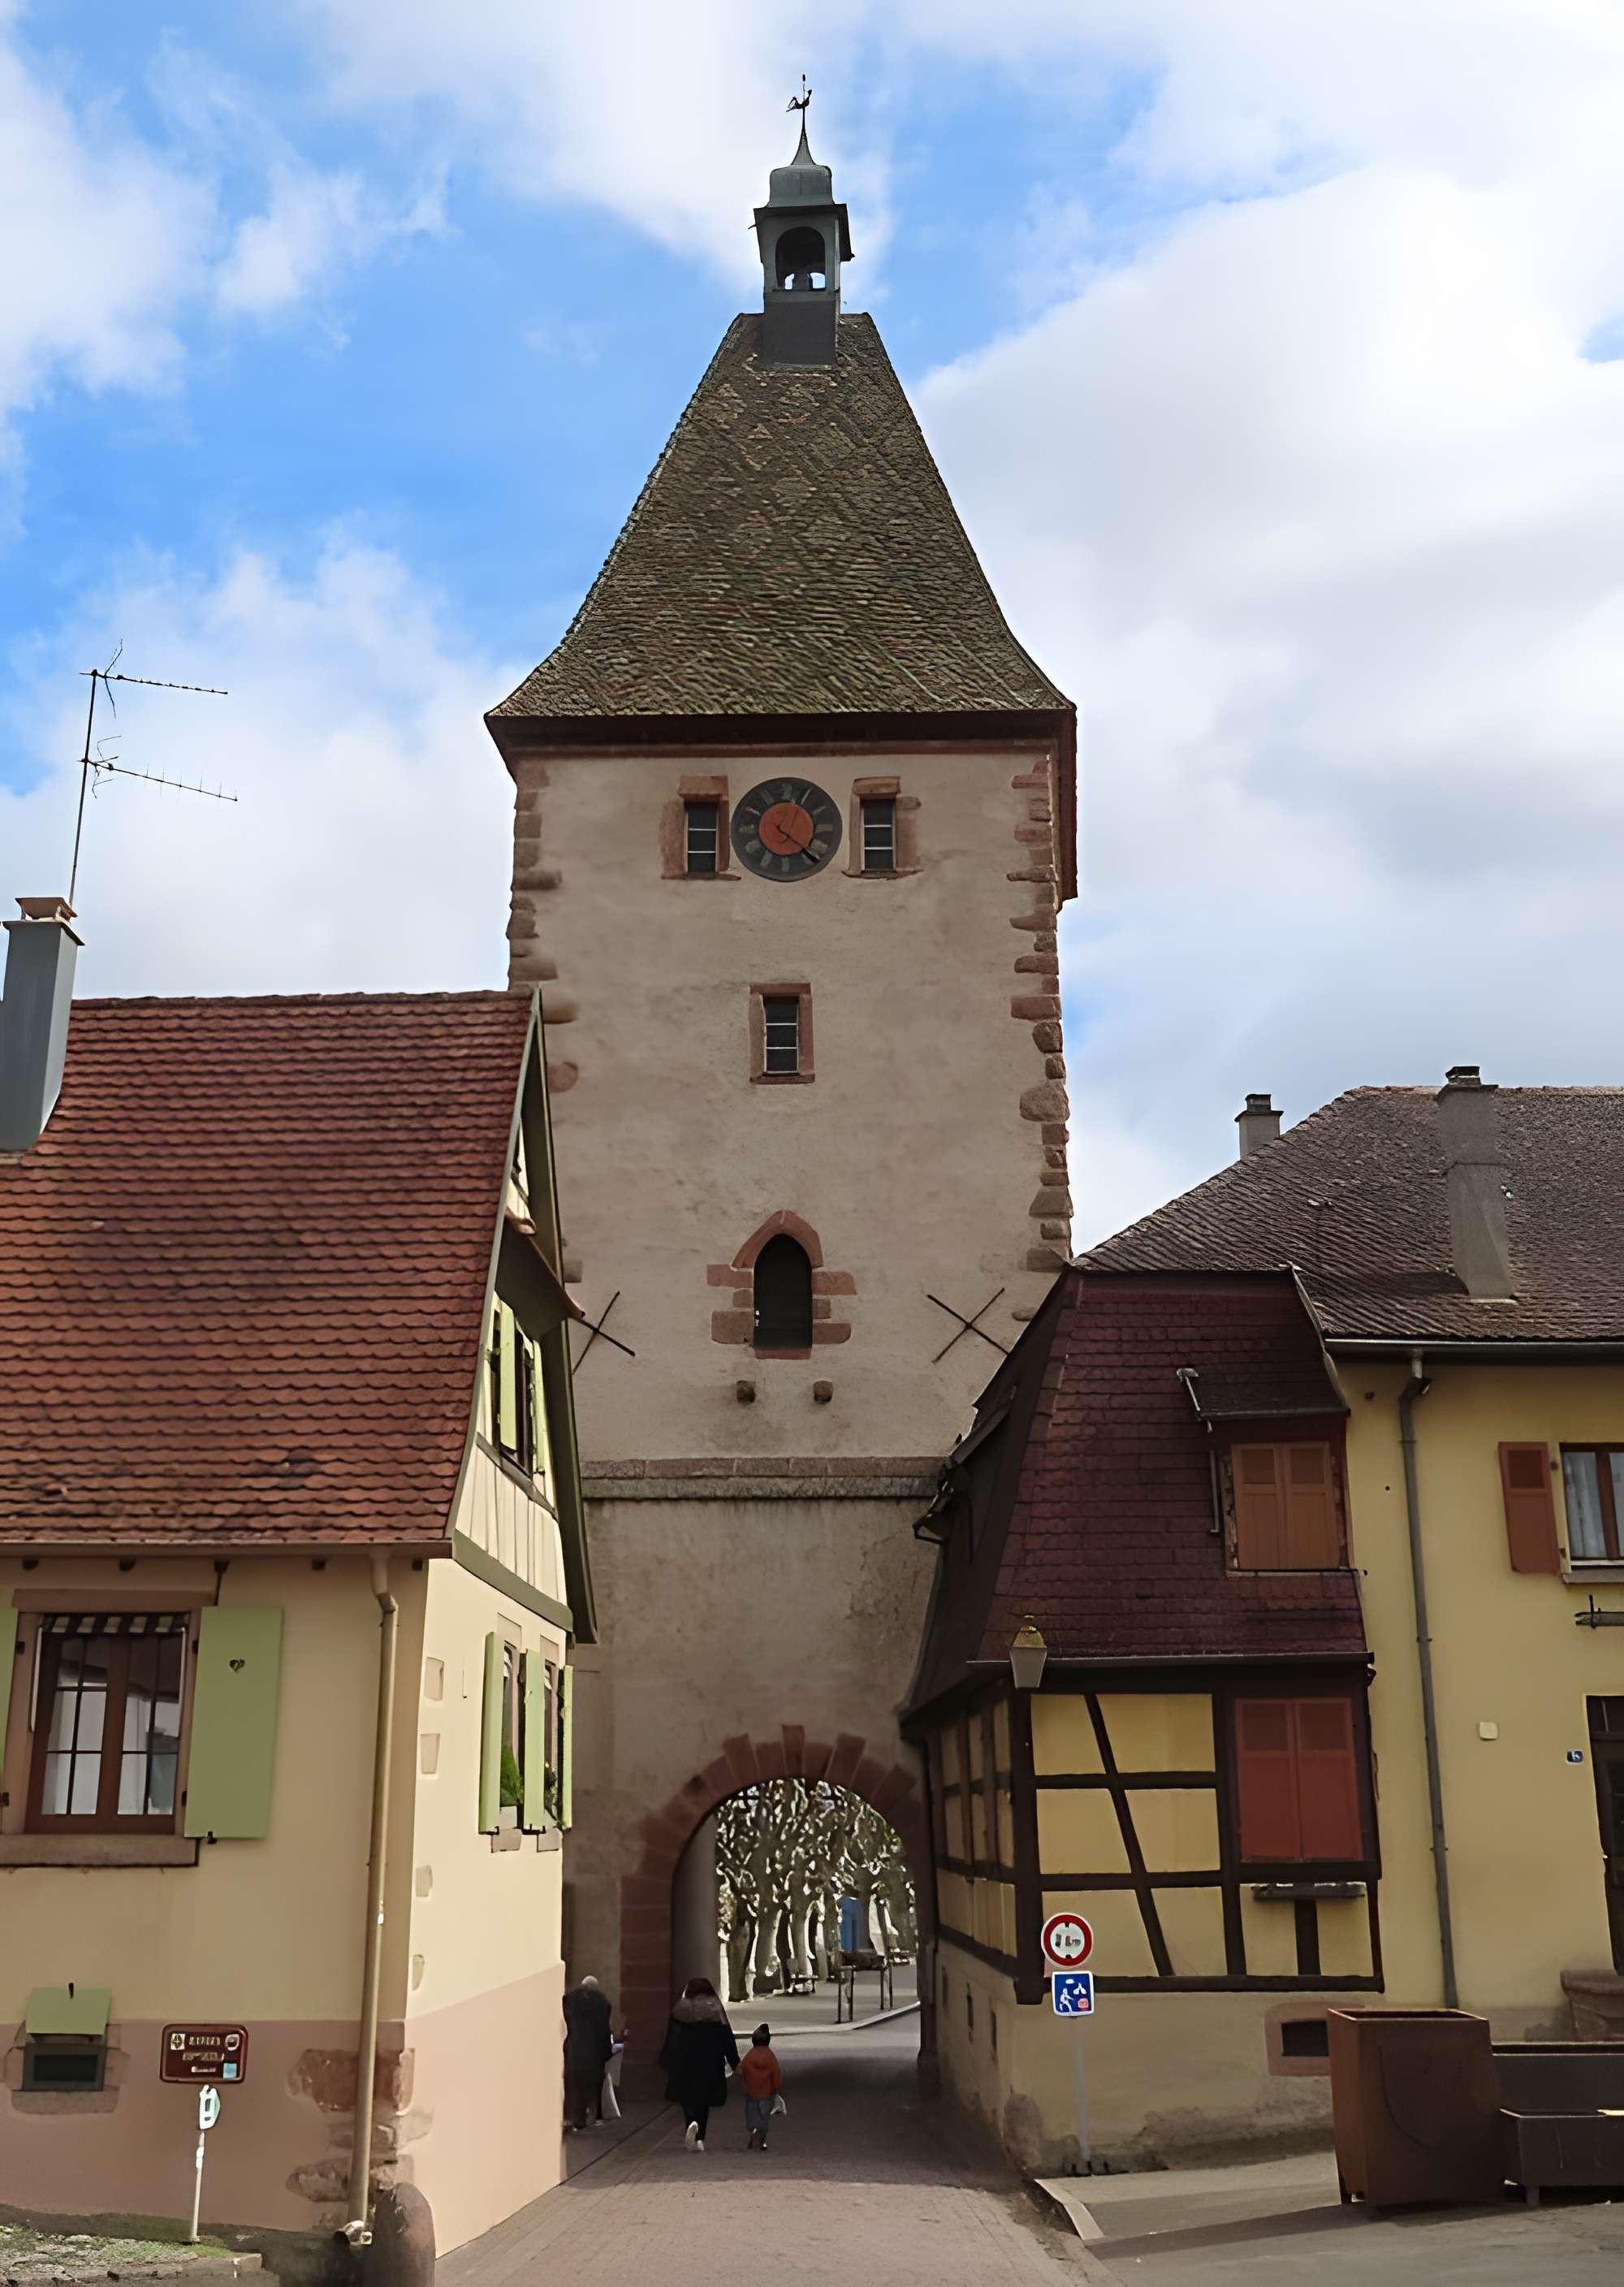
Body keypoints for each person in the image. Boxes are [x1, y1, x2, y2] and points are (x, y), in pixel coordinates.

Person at [658, 1975, 738, 2152]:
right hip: (708, 2061)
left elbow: (671, 2038)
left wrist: (666, 2060)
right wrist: (734, 2061)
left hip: (684, 2060)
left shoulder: (680, 2009)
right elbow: (726, 2037)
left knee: (688, 2098)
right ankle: (700, 2136)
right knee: (703, 2100)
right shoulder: (715, 2008)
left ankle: (690, 2123)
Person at [562, 1974, 615, 2132]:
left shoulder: (570, 2001)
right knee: (591, 2085)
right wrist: (607, 2052)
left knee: (574, 2083)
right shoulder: (603, 2004)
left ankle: (573, 2116)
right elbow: (604, 2030)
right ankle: (591, 2114)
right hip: (594, 2051)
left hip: (575, 2047)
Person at [736, 2022, 783, 2152]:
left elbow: (740, 2070)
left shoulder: (749, 2056)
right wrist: (776, 2088)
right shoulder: (771, 2057)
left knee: (752, 2113)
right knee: (764, 2117)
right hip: (767, 2092)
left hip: (751, 2091)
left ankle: (753, 2130)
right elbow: (776, 2075)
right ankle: (761, 2139)